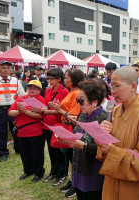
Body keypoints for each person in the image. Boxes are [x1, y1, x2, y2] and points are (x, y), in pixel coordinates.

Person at [95, 66, 139, 200]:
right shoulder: (115, 112)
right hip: (112, 179)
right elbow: (105, 150)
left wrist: (109, 149)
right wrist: (102, 139)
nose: (113, 91)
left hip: (133, 188)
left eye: (117, 86)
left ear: (133, 86)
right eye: (112, 86)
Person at [57, 79, 106, 200]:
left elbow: (104, 150)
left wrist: (82, 145)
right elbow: (77, 136)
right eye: (77, 100)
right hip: (78, 166)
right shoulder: (83, 114)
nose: (78, 104)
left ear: (94, 101)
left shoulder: (104, 119)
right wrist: (67, 140)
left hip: (93, 173)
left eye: (81, 101)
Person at [49, 69, 85, 198]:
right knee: (70, 158)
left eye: (67, 77)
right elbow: (68, 109)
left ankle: (76, 184)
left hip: (71, 127)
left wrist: (59, 110)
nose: (64, 79)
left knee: (73, 158)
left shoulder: (77, 93)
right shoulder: (71, 92)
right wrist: (60, 108)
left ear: (74, 79)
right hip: (65, 125)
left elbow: (75, 116)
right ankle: (73, 181)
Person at [31, 68, 69, 185]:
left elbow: (61, 111)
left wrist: (44, 111)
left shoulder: (64, 92)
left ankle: (62, 174)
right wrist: (42, 109)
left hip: (58, 125)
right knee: (51, 151)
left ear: (59, 79)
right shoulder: (48, 90)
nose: (49, 81)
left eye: (51, 79)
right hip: (47, 125)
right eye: (48, 78)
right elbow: (46, 106)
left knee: (60, 151)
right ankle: (53, 172)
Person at [8, 80, 46, 182]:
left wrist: (25, 111)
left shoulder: (41, 100)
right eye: (30, 88)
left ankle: (39, 172)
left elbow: (40, 116)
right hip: (21, 131)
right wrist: (19, 112)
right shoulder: (21, 99)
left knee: (37, 153)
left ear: (39, 90)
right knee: (24, 153)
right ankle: (28, 170)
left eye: (35, 88)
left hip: (35, 131)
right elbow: (10, 112)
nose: (32, 90)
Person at [0, 60, 26, 162]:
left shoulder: (16, 81)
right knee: (0, 132)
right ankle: (2, 153)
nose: (6, 70)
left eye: (8, 68)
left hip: (13, 109)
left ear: (11, 70)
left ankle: (18, 148)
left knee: (17, 129)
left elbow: (22, 96)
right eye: (3, 67)